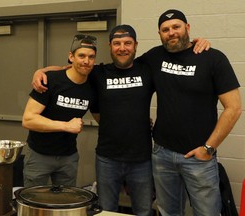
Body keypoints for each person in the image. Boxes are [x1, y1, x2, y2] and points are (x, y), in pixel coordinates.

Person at [31, 26, 210, 215]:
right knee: (107, 211)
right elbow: (69, 69)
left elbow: (176, 45)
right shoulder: (98, 72)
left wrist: (196, 42)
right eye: (117, 43)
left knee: (143, 211)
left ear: (135, 46)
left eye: (127, 43)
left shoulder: (148, 67)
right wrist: (40, 71)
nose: (122, 48)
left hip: (141, 159)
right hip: (107, 159)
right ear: (110, 46)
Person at [135, 9, 242, 216]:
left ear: (188, 28)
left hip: (199, 157)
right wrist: (56, 71)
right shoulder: (155, 56)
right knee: (168, 212)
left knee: (207, 213)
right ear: (160, 34)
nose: (171, 32)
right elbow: (121, 67)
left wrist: (208, 148)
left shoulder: (213, 58)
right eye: (165, 29)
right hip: (162, 154)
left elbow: (234, 108)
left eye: (176, 26)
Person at [22, 34, 97, 187]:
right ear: (71, 57)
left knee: (64, 204)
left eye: (91, 57)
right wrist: (66, 126)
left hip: (68, 157)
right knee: (34, 203)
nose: (86, 61)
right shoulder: (50, 80)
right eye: (81, 55)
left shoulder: (93, 84)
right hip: (39, 155)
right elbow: (28, 119)